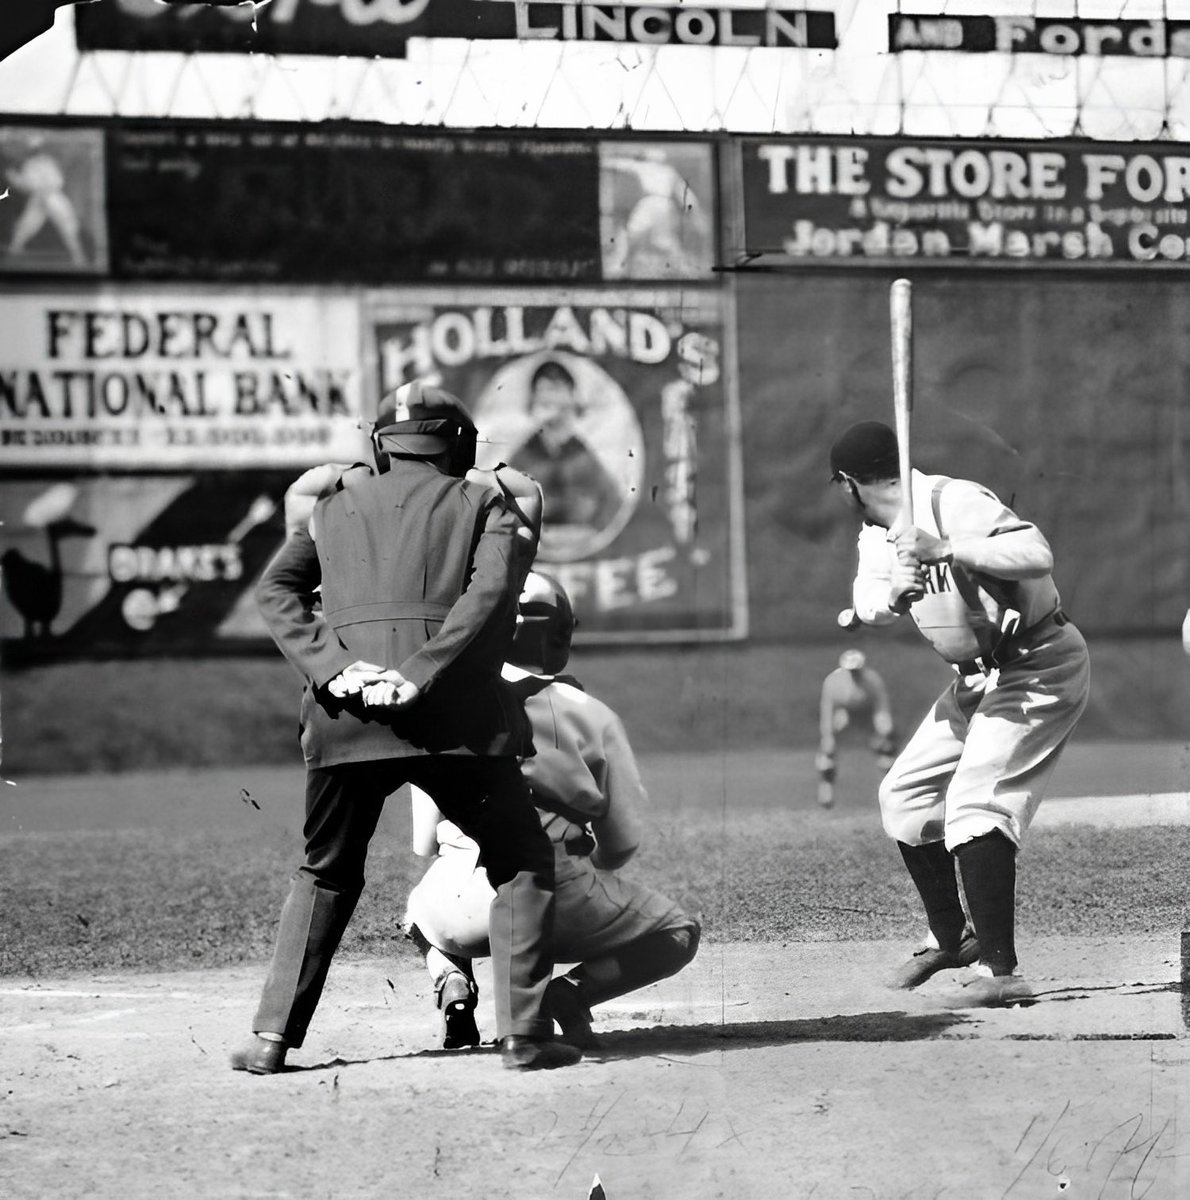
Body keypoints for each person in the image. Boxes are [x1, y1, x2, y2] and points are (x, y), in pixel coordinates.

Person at [231, 381, 580, 1074]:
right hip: (455, 721)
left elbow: (276, 591)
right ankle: (523, 1038)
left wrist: (335, 669)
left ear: (380, 446)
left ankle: (271, 1039)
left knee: (324, 873)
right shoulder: (485, 502)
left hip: (346, 720)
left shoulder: (331, 507)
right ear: (460, 444)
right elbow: (487, 599)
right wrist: (419, 672)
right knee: (522, 864)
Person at [828, 420, 1090, 1006]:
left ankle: (1002, 974)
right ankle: (952, 936)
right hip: (974, 681)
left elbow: (1035, 551)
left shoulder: (953, 500)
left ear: (849, 483)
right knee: (905, 795)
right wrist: (894, 592)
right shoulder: (878, 532)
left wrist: (946, 547)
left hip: (1038, 663)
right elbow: (867, 604)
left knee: (977, 801)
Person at [404, 571, 701, 1051]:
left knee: (418, 912)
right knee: (678, 930)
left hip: (462, 905)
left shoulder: (441, 708)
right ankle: (571, 993)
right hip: (559, 896)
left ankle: (452, 985)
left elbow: (423, 843)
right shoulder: (589, 710)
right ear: (561, 630)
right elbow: (622, 843)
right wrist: (587, 864)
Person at [508, 359, 623, 533]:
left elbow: (613, 508)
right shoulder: (522, 457)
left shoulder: (585, 457)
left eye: (557, 389)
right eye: (543, 390)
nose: (551, 397)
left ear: (572, 397)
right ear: (534, 399)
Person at [815, 648, 897, 809]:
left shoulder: (873, 680)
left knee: (885, 747)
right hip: (845, 714)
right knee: (827, 748)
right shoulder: (832, 682)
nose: (854, 674)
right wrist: (828, 736)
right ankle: (826, 789)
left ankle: (891, 792)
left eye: (856, 671)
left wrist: (883, 727)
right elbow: (827, 710)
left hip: (867, 715)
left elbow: (881, 706)